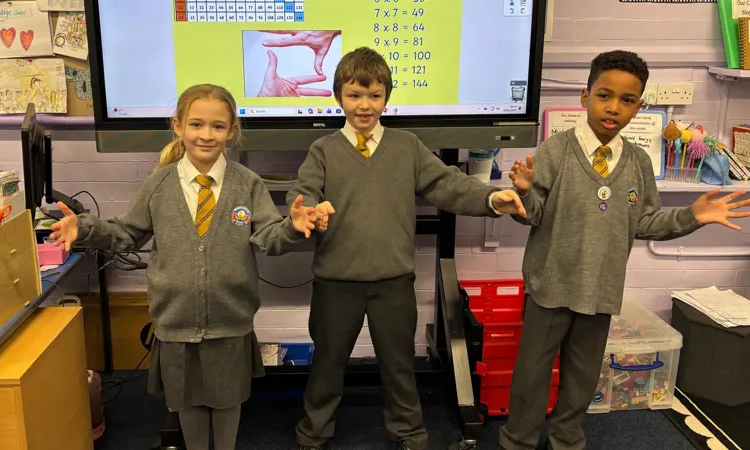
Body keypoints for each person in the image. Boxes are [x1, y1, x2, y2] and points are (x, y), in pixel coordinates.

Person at [501, 50, 750, 450]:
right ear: (585, 97)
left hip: (600, 291)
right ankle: (518, 441)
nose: (613, 108)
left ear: (639, 105)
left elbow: (647, 223)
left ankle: (566, 441)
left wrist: (692, 216)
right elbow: (532, 215)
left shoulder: (636, 162)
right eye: (604, 95)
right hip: (550, 288)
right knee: (531, 375)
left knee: (582, 380)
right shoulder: (555, 151)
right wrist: (525, 192)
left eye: (627, 100)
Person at [49, 84, 320, 450]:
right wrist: (84, 228)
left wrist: (291, 227)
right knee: (187, 403)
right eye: (196, 125)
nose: (206, 135)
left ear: (232, 130)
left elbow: (268, 237)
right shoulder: (159, 184)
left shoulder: (247, 183)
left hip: (230, 321)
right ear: (177, 126)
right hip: (176, 322)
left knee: (227, 403)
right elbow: (127, 233)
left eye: (218, 127)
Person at [286, 46, 528, 450]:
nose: (365, 105)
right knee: (327, 365)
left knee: (399, 366)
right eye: (354, 95)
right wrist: (305, 213)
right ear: (337, 96)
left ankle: (409, 435)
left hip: (393, 283)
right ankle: (314, 434)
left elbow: (449, 185)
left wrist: (491, 199)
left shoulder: (407, 147)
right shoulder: (323, 151)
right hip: (335, 284)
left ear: (387, 96)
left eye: (374, 95)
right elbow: (304, 193)